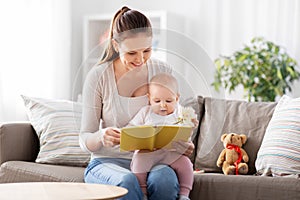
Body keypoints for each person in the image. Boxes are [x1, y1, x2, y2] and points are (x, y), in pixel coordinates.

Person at [79, 6, 195, 200]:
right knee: (128, 181)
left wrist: (183, 144)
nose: (140, 59)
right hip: (108, 162)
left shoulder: (162, 70)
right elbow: (84, 138)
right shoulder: (98, 76)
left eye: (147, 50)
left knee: (164, 179)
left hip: (154, 159)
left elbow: (175, 119)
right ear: (116, 45)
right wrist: (101, 136)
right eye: (132, 53)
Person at [128, 73, 196, 200]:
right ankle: (142, 193)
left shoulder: (180, 112)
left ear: (177, 98)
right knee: (138, 161)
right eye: (157, 101)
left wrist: (190, 126)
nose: (163, 105)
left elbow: (187, 131)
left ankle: (184, 195)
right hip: (148, 153)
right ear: (149, 98)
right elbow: (131, 128)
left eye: (169, 101)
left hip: (171, 153)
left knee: (186, 164)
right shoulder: (145, 112)